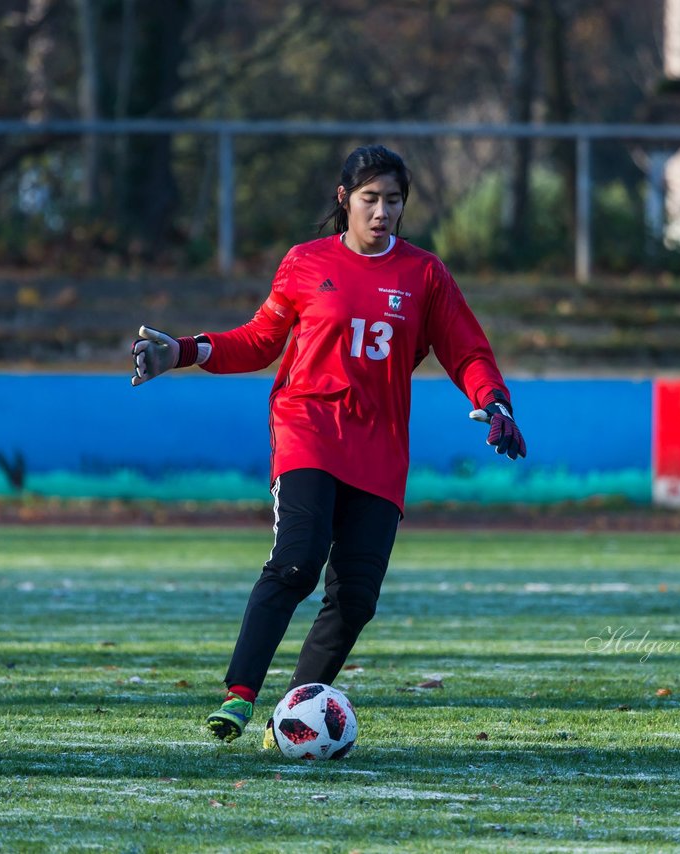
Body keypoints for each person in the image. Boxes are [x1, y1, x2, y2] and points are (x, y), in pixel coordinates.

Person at [129, 144, 526, 745]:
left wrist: (494, 401)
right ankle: (239, 696)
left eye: (394, 200)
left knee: (357, 598)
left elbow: (467, 350)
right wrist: (184, 350)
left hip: (380, 448)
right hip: (308, 428)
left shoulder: (424, 275)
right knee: (296, 561)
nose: (383, 212)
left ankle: (289, 715)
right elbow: (260, 341)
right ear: (344, 201)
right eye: (370, 199)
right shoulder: (305, 262)